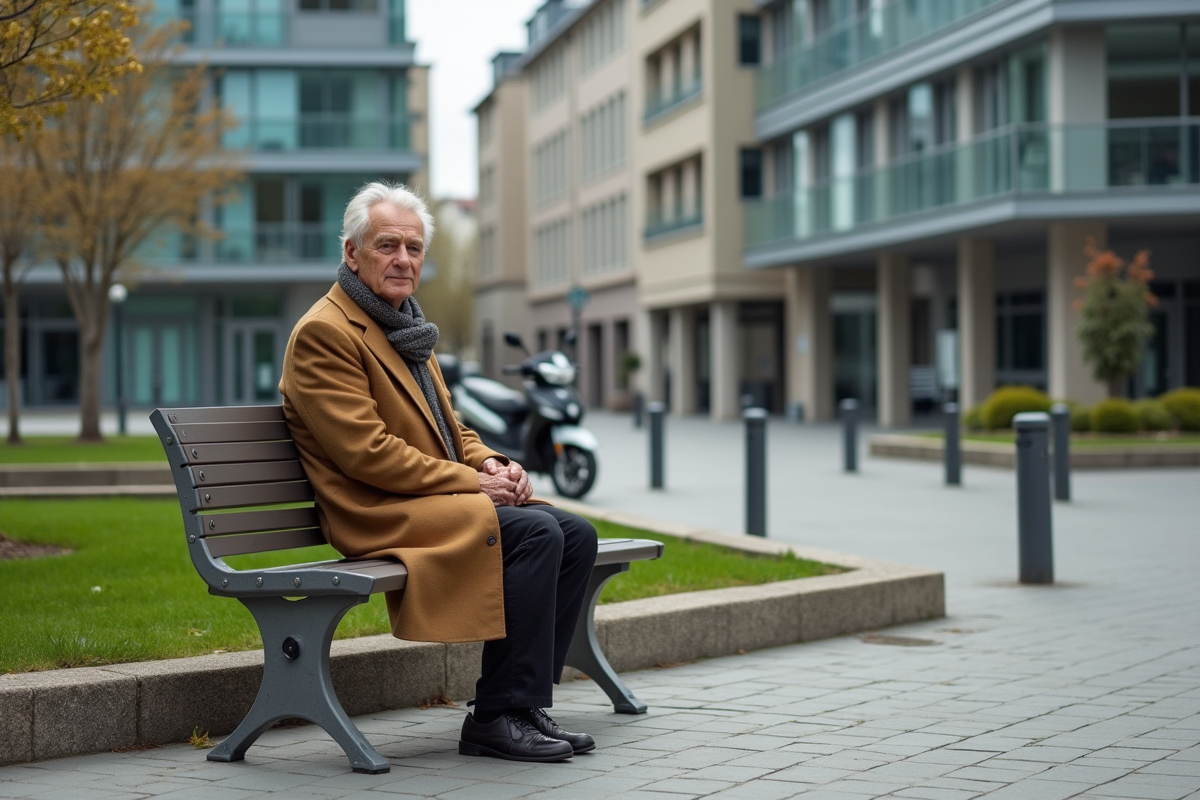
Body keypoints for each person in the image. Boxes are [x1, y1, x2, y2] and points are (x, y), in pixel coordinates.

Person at [279, 181, 599, 763]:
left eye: (414, 248)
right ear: (352, 253)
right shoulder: (326, 332)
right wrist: (473, 483)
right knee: (532, 533)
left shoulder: (406, 327)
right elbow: (366, 453)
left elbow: (454, 434)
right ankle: (495, 715)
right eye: (387, 246)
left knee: (575, 534)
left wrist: (494, 464)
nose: (403, 259)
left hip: (418, 499)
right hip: (375, 511)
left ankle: (523, 705)